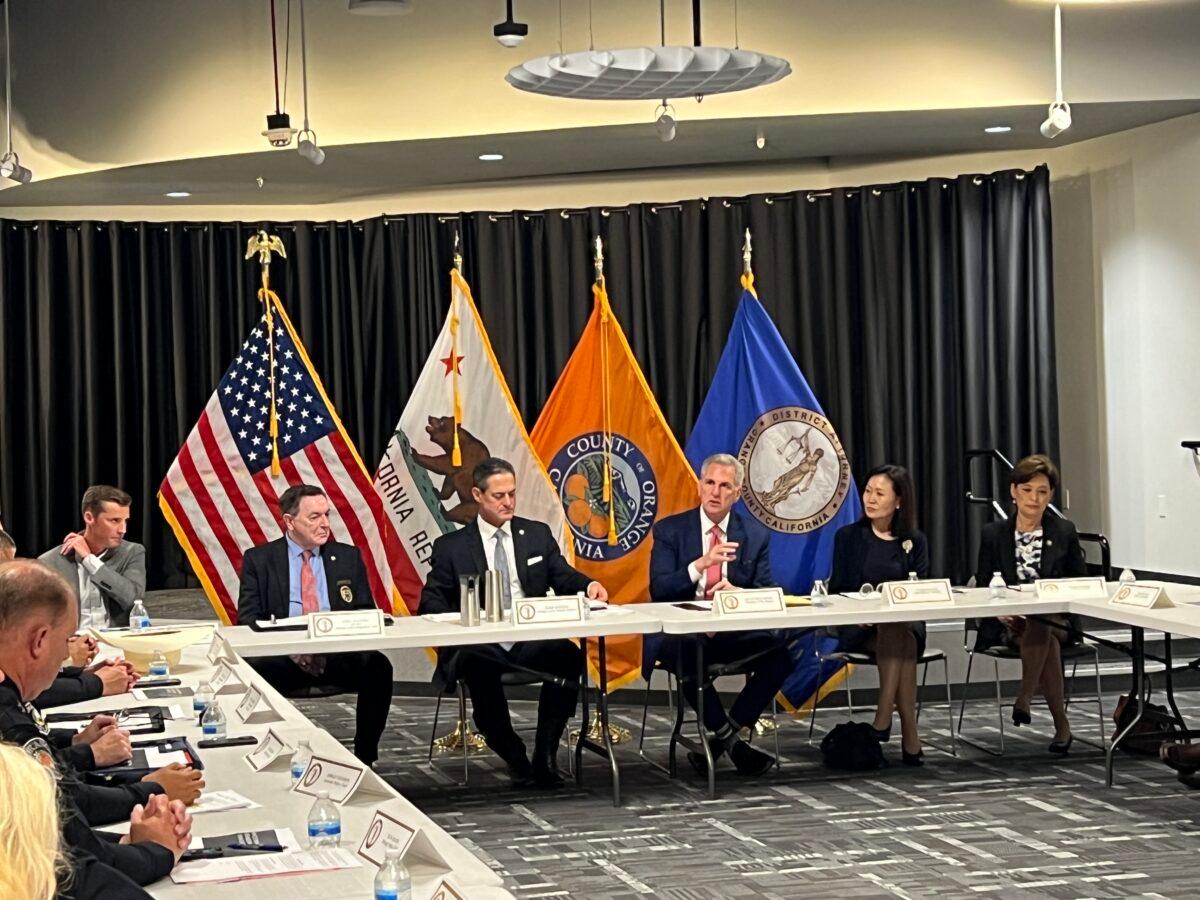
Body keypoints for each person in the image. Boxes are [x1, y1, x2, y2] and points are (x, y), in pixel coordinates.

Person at [0, 560, 191, 893]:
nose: (65, 656)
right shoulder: (8, 721)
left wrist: (125, 838)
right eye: (66, 641)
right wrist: (158, 851)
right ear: (40, 640)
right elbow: (72, 865)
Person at [420, 457, 608, 789]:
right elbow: (430, 603)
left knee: (569, 657)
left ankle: (545, 753)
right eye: (499, 496)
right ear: (477, 495)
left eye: (512, 494)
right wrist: (464, 619)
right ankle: (515, 755)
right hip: (483, 644)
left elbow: (561, 575)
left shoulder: (535, 534)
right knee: (476, 666)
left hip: (529, 639)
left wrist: (588, 585)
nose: (508, 502)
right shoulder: (452, 547)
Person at [648, 453, 792, 778]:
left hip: (730, 633)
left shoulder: (753, 534)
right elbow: (659, 590)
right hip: (683, 634)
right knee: (686, 654)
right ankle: (735, 745)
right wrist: (700, 565)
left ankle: (718, 742)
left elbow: (766, 591)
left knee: (780, 656)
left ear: (737, 493)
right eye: (710, 483)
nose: (716, 492)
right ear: (700, 485)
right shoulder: (671, 530)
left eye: (725, 486)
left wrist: (739, 594)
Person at [237, 484, 394, 766]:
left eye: (327, 515)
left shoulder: (347, 557)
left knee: (378, 666)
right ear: (289, 521)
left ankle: (365, 756)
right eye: (314, 517)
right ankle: (266, 755)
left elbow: (364, 611)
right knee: (250, 671)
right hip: (283, 660)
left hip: (336, 657)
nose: (325, 524)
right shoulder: (260, 560)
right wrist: (289, 646)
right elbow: (248, 619)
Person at [974, 454, 1086, 754]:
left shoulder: (1064, 531)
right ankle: (1061, 724)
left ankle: (1024, 697)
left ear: (1050, 495)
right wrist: (1001, 614)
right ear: (1013, 491)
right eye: (1027, 490)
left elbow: (1080, 583)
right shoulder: (993, 534)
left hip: (1058, 619)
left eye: (1042, 492)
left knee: (1042, 620)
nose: (1034, 499)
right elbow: (983, 584)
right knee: (1043, 637)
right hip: (1008, 622)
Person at [829, 464, 930, 766]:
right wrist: (858, 613)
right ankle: (909, 735)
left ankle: (883, 716)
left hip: (904, 625)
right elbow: (838, 589)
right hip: (860, 627)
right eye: (868, 491)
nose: (870, 499)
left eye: (879, 493)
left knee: (897, 628)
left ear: (899, 501)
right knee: (901, 640)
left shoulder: (914, 540)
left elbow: (921, 590)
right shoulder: (848, 537)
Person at [37, 486, 146, 629]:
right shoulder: (50, 562)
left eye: (125, 521)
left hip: (116, 642)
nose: (123, 530)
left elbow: (133, 599)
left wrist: (89, 560)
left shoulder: (132, 552)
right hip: (71, 645)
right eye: (114, 521)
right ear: (89, 518)